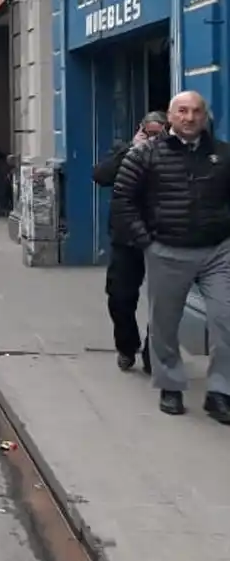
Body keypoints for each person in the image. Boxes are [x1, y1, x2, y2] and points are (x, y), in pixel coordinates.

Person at [112, 91, 230, 420]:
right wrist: (146, 241)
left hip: (218, 251)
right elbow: (123, 198)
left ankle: (221, 391)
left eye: (196, 111)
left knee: (226, 320)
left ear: (205, 116)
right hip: (167, 249)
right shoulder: (146, 154)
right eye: (182, 111)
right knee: (164, 324)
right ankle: (171, 385)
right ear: (170, 115)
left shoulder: (222, 154)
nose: (189, 118)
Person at [93, 112, 166, 373]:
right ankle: (126, 345)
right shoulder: (126, 151)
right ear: (140, 131)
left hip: (162, 238)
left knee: (163, 302)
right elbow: (100, 176)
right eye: (150, 133)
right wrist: (131, 151)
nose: (154, 139)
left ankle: (152, 354)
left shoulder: (173, 155)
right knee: (120, 297)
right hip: (126, 239)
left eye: (160, 133)